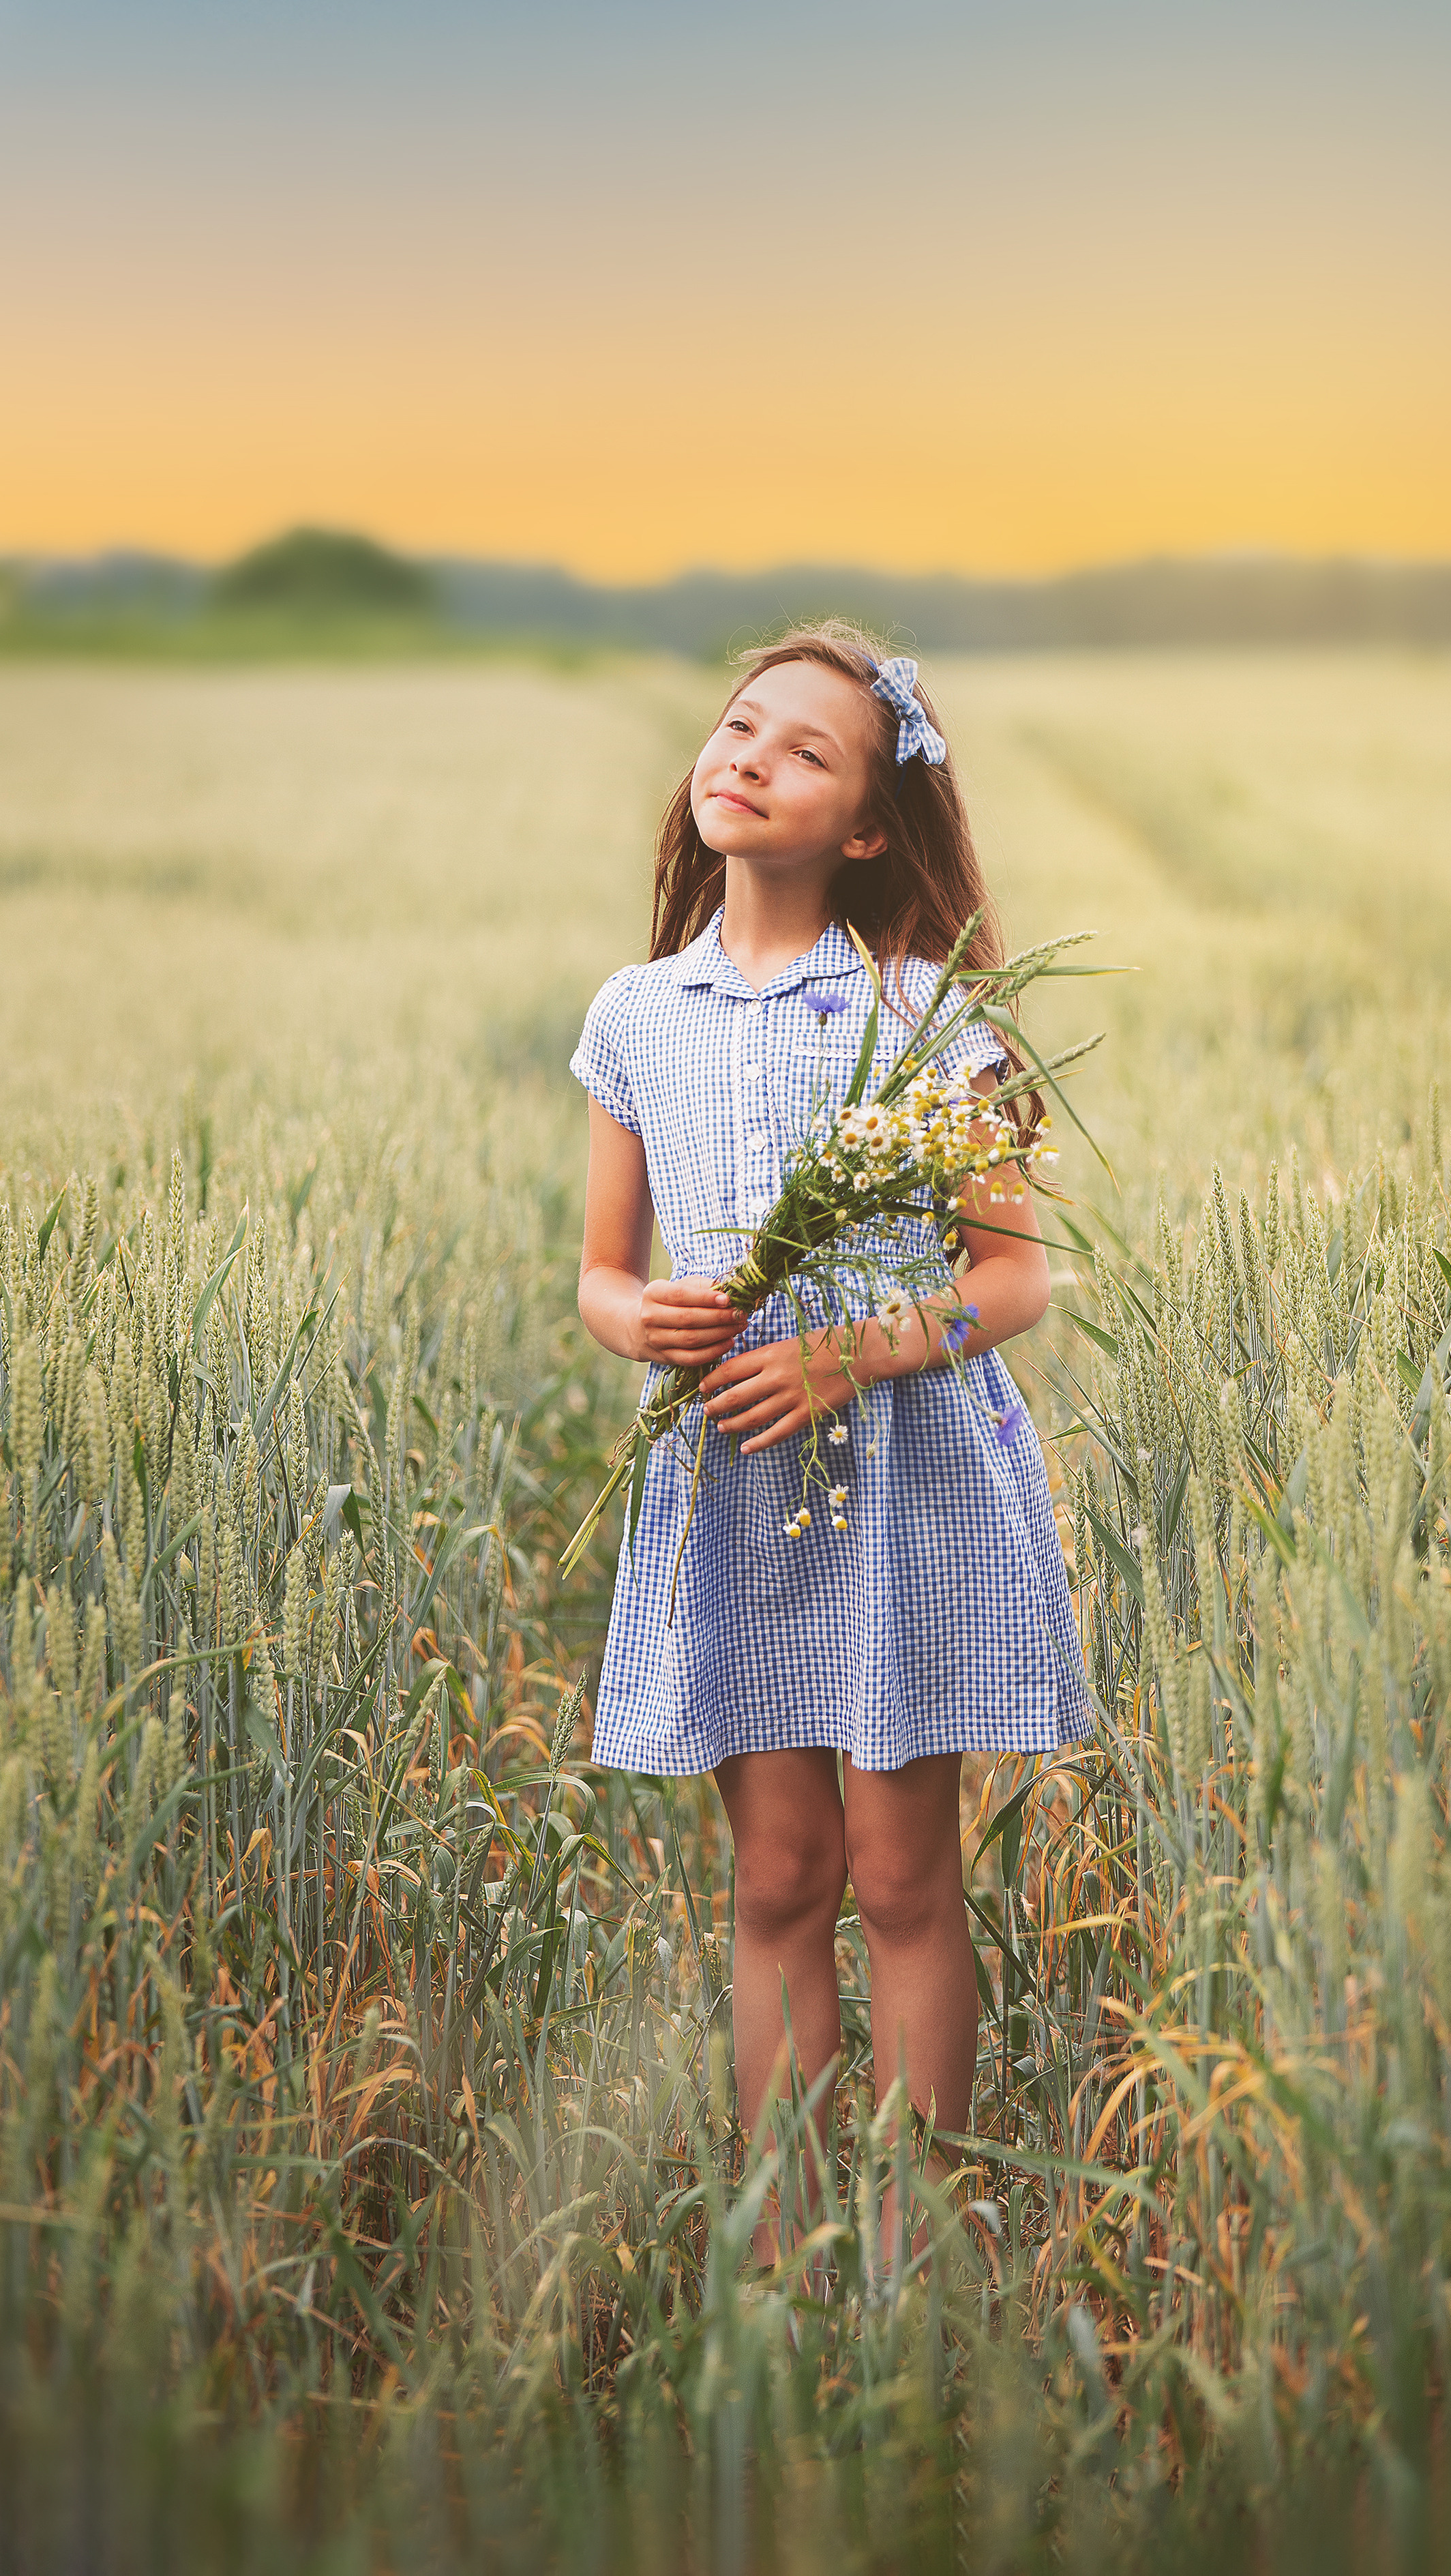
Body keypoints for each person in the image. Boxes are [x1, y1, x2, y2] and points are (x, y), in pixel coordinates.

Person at [570, 622, 1087, 2251]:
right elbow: (599, 1268)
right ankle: (785, 2254)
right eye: (740, 726)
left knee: (900, 1876)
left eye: (805, 750)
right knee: (779, 1875)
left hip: (899, 1474)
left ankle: (913, 2254)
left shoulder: (923, 1012)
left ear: (868, 827)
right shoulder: (637, 1012)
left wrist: (847, 1355)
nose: (749, 758)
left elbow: (1013, 1276)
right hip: (732, 1470)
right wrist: (635, 1317)